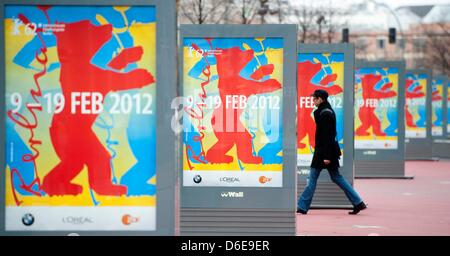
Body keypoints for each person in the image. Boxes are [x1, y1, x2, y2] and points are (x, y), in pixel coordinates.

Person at [297, 89, 367, 215]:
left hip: (324, 153)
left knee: (313, 178)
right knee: (336, 177)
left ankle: (302, 206)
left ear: (320, 99)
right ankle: (358, 202)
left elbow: (329, 136)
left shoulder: (325, 113)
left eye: (314, 98)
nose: (313, 100)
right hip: (325, 151)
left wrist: (327, 156)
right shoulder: (324, 111)